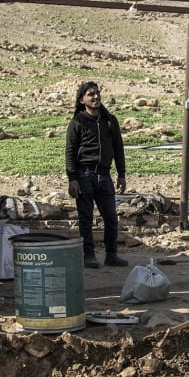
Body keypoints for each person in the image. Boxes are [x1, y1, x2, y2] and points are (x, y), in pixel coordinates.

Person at [65, 81, 129, 268]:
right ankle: (89, 255)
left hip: (104, 175)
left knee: (110, 217)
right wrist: (72, 179)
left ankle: (111, 254)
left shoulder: (110, 120)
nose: (95, 97)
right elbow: (70, 151)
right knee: (86, 217)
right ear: (82, 100)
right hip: (84, 175)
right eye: (90, 94)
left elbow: (118, 148)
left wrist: (122, 174)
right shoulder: (78, 122)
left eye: (97, 93)